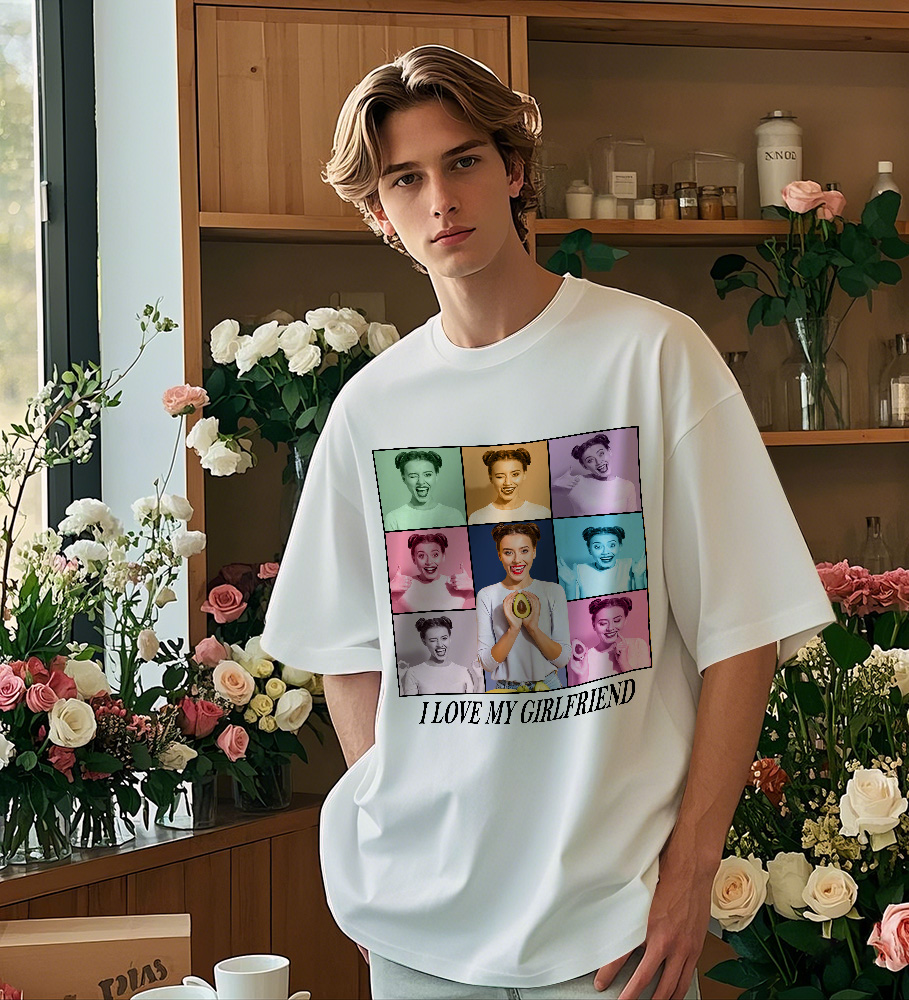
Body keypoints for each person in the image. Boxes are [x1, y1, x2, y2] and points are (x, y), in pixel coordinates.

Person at [260, 43, 835, 1000]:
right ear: (380, 213)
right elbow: (348, 652)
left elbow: (745, 633)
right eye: (406, 179)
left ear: (515, 169)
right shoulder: (371, 409)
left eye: (464, 161)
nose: (442, 199)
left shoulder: (653, 355)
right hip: (422, 931)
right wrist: (391, 844)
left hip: (614, 929)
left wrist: (691, 871)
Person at [475, 521, 569, 691]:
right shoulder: (486, 595)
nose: (517, 560)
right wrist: (513, 629)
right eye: (508, 552)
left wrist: (533, 628)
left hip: (548, 685)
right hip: (506, 689)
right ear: (499, 555)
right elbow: (487, 664)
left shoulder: (553, 591)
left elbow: (562, 660)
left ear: (534, 552)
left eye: (524, 551)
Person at [570, 596, 652, 684]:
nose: (610, 628)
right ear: (594, 625)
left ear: (625, 621)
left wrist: (623, 663)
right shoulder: (586, 659)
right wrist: (581, 676)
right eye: (603, 623)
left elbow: (645, 686)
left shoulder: (638, 645)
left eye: (617, 621)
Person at [553, 432, 639, 516]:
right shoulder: (575, 482)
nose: (598, 462)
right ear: (584, 465)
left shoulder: (628, 486)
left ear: (609, 451)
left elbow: (632, 521)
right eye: (590, 460)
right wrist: (555, 482)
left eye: (601, 454)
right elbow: (545, 493)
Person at [398, 615, 485, 695]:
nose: (440, 644)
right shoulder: (413, 673)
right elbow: (408, 705)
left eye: (444, 638)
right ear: (424, 641)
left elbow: (474, 704)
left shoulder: (464, 672)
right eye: (433, 640)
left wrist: (481, 678)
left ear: (450, 638)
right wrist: (398, 679)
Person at [389, 531, 473, 613]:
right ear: (414, 559)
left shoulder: (459, 585)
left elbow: (481, 597)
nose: (429, 562)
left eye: (435, 555)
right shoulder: (402, 587)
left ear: (443, 556)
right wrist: (391, 587)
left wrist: (471, 584)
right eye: (421, 556)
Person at [558, 524, 647, 599]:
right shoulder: (580, 570)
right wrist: (570, 585)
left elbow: (640, 605)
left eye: (612, 545)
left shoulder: (629, 565)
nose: (605, 552)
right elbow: (573, 609)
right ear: (589, 550)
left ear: (620, 546)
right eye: (597, 547)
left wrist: (639, 577)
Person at [383, 449, 465, 530]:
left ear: (436, 476)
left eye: (427, 474)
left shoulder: (454, 516)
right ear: (404, 479)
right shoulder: (393, 519)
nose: (421, 482)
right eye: (413, 476)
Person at [467, 446, 552, 523]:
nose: (508, 483)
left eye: (515, 474)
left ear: (524, 474)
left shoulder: (543, 514)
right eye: (500, 476)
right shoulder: (476, 518)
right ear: (491, 478)